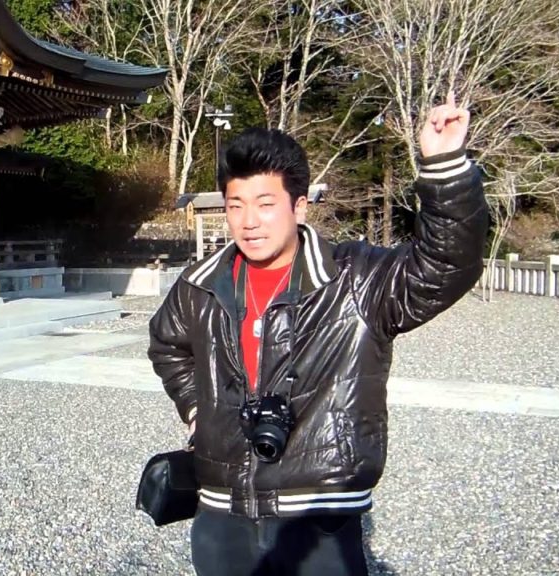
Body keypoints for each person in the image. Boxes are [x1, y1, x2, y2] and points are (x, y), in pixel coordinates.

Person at [147, 92, 488, 576]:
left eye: (266, 203)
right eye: (235, 205)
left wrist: (445, 168)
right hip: (221, 506)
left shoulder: (357, 280)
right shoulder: (201, 284)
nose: (248, 221)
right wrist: (197, 407)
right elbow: (167, 343)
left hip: (320, 510)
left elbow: (446, 266)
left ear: (299, 206)